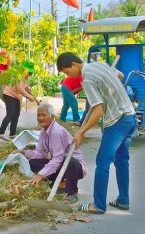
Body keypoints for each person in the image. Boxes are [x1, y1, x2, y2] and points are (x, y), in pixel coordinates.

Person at [56, 52, 137, 214]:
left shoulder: (88, 79)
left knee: (102, 162)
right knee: (121, 161)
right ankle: (123, 200)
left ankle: (98, 205)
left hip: (117, 122)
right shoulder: (100, 65)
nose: (68, 75)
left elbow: (98, 111)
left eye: (66, 72)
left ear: (74, 65)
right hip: (130, 117)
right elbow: (120, 76)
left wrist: (81, 133)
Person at [12, 103, 87, 203]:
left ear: (52, 116)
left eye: (44, 115)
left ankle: (72, 193)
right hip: (59, 165)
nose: (40, 118)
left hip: (74, 167)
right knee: (33, 163)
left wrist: (40, 175)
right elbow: (40, 152)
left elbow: (58, 159)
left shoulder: (56, 132)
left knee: (68, 160)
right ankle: (60, 183)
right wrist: (24, 153)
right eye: (38, 115)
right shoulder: (44, 131)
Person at [0, 61, 40, 140]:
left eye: (31, 73)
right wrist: (29, 97)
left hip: (16, 97)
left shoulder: (23, 77)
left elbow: (23, 85)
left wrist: (27, 87)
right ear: (25, 71)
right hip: (9, 95)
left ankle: (12, 134)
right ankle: (1, 132)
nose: (30, 75)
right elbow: (19, 88)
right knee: (10, 114)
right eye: (29, 73)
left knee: (16, 115)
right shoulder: (19, 76)